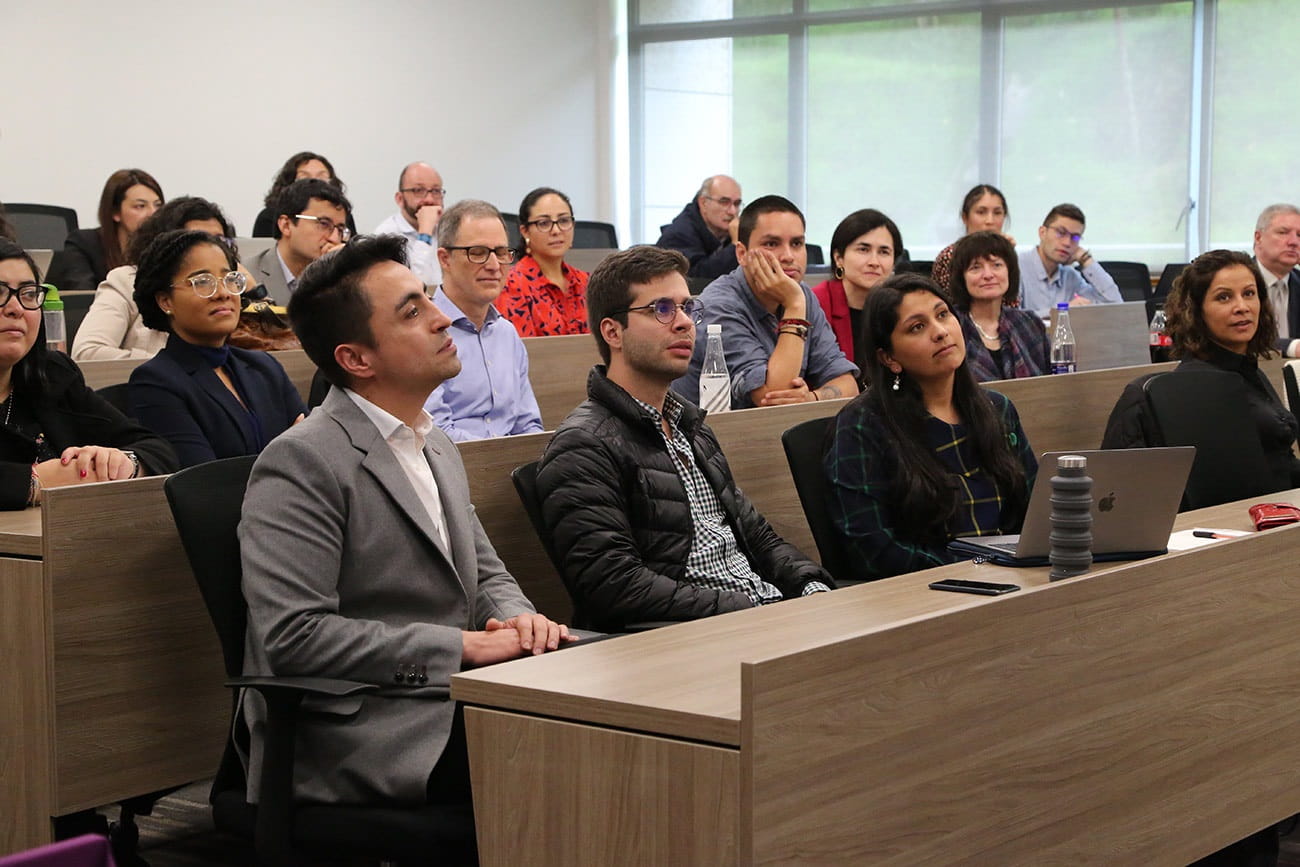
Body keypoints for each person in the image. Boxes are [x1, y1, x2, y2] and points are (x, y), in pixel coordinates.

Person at [240, 232, 572, 807]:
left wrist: (521, 621)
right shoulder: (302, 459)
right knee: (578, 757)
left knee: (630, 709)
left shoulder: (433, 439)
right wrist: (458, 649)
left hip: (453, 695)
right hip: (365, 720)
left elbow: (486, 575)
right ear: (356, 358)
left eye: (428, 298)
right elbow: (295, 638)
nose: (443, 319)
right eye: (413, 311)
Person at [536, 245, 833, 631]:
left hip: (756, 616)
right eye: (661, 310)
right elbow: (612, 585)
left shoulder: (689, 426)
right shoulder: (583, 445)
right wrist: (747, 609)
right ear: (613, 332)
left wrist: (810, 585)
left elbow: (756, 535)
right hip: (692, 637)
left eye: (687, 308)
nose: (683, 323)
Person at [824, 273, 1036, 580]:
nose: (940, 332)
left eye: (942, 315)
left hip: (1012, 580)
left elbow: (1036, 512)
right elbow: (872, 549)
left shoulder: (997, 408)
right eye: (917, 327)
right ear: (889, 358)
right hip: (926, 593)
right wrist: (975, 571)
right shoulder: (862, 425)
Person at [0, 240, 176, 509]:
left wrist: (123, 463)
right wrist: (35, 482)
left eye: (27, 293)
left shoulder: (53, 375)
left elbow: (156, 450)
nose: (16, 308)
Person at [1102, 249, 1300, 487]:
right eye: (1224, 297)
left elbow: (1282, 467)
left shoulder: (1251, 372)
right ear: (1196, 312)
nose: (1242, 307)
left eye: (1249, 293)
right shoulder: (1184, 388)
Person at [127, 230, 307, 468]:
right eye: (202, 282)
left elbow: (313, 452)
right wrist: (285, 457)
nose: (223, 293)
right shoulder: (155, 382)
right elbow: (206, 484)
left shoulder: (264, 366)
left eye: (229, 280)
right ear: (165, 301)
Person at [674, 195, 859, 409]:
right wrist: (795, 307)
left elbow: (848, 384)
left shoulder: (801, 295)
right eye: (772, 244)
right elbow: (772, 400)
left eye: (797, 243)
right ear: (742, 254)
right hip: (712, 438)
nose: (789, 256)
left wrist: (812, 398)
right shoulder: (719, 305)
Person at [72, 196, 249, 361]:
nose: (208, 248)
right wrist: (173, 366)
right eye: (194, 240)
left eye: (218, 240)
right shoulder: (125, 281)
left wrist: (255, 291)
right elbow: (88, 352)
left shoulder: (231, 286)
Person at [423, 201, 542, 441]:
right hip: (452, 469)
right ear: (445, 258)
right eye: (478, 253)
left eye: (500, 252)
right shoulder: (423, 332)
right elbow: (435, 435)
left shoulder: (506, 333)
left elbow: (528, 424)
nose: (494, 265)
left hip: (511, 467)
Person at [948, 231, 1050, 382]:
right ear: (961, 278)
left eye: (997, 265)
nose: (988, 275)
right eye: (976, 267)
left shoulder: (1028, 323)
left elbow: (1051, 381)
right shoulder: (950, 326)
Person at [811, 208, 903, 371]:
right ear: (839, 258)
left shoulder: (901, 307)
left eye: (884, 252)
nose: (874, 262)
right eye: (863, 249)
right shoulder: (815, 304)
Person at [50, 169, 163, 293]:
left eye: (158, 205)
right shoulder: (84, 244)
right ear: (115, 212)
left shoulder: (165, 247)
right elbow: (82, 297)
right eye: (140, 206)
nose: (153, 213)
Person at [496, 187, 589, 336]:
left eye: (564, 220)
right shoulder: (510, 285)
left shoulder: (587, 282)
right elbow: (523, 352)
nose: (556, 230)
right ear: (525, 231)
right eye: (544, 223)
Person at [244, 179, 351, 302]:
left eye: (340, 229)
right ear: (286, 225)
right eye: (324, 224)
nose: (334, 238)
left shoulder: (343, 279)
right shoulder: (247, 276)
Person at [1017, 203, 1121, 317]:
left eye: (1075, 237)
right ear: (1042, 233)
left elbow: (1115, 305)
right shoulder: (1015, 267)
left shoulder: (1070, 276)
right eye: (1060, 233)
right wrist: (1062, 310)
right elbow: (1011, 319)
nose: (1067, 243)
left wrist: (1085, 259)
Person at [250, 151, 357, 239]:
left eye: (322, 177)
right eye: (305, 178)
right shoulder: (269, 216)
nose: (315, 184)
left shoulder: (342, 217)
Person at [655, 175, 743, 280]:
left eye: (737, 204)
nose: (732, 211)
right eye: (724, 202)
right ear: (703, 203)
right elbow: (698, 280)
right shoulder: (678, 234)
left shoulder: (728, 231)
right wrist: (735, 245)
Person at [373, 161, 445, 287]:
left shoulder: (446, 230)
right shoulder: (385, 236)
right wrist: (425, 233)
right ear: (399, 199)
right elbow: (415, 287)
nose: (429, 199)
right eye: (418, 190)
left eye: (436, 191)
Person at [931, 184, 1016, 290]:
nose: (990, 221)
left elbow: (1012, 300)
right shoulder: (950, 256)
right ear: (965, 218)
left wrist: (1008, 256)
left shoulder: (1007, 253)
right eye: (981, 212)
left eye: (997, 213)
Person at [1251, 203, 1300, 357]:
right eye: (1283, 232)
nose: (1293, 242)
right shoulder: (1235, 283)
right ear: (1258, 237)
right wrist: (1292, 346)